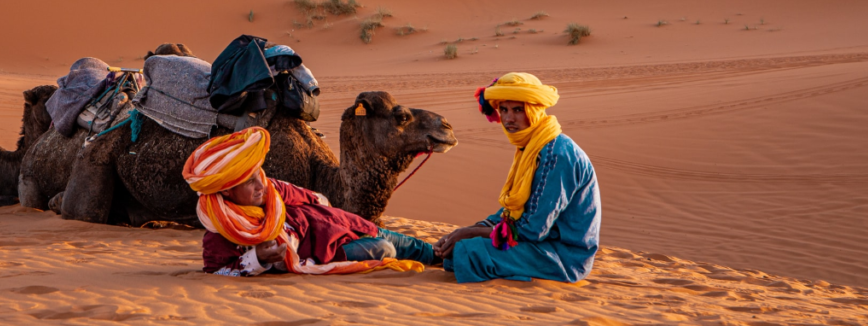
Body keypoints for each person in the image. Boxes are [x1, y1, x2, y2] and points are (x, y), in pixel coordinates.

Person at [182, 127, 438, 276]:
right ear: (226, 190)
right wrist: (258, 258)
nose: (261, 185)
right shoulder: (222, 231)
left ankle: (451, 255)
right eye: (249, 181)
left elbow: (317, 199)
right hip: (330, 251)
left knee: (423, 250)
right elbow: (217, 272)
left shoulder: (274, 189)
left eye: (258, 175)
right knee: (386, 250)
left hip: (344, 224)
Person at [435, 72, 600, 283]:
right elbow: (514, 212)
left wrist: (471, 233)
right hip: (542, 246)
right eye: (503, 110)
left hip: (564, 257)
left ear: (534, 111)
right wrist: (466, 231)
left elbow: (534, 229)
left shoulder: (556, 155)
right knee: (457, 249)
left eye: (517, 110)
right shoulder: (532, 147)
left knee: (468, 252)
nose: (508, 118)